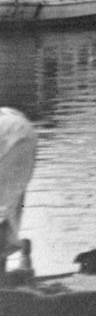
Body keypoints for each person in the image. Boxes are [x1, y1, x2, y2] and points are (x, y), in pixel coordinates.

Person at [0, 108, 36, 272]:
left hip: (7, 132)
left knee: (4, 209)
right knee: (9, 210)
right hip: (25, 131)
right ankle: (20, 252)